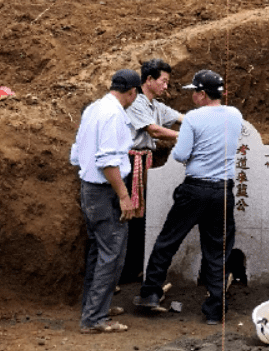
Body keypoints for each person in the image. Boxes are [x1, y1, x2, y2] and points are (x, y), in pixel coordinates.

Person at [134, 70, 243, 324]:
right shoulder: (235, 115)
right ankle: (215, 311)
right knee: (217, 250)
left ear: (202, 94)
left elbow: (181, 155)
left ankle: (150, 293)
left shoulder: (194, 118)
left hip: (195, 189)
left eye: (195, 91)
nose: (192, 96)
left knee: (168, 241)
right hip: (222, 191)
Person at [69, 69, 142, 334]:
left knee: (98, 251)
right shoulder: (113, 115)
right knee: (112, 253)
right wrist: (124, 195)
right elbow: (108, 161)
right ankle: (94, 318)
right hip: (104, 191)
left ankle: (94, 307)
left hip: (89, 188)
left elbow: (77, 153)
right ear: (132, 92)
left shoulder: (94, 109)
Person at [120, 58, 184, 285]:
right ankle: (120, 273)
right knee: (128, 217)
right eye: (163, 81)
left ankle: (132, 269)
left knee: (141, 218)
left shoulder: (155, 106)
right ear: (149, 80)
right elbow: (154, 131)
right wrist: (186, 136)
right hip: (130, 164)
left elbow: (180, 118)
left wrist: (203, 123)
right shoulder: (136, 103)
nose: (166, 86)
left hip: (144, 164)